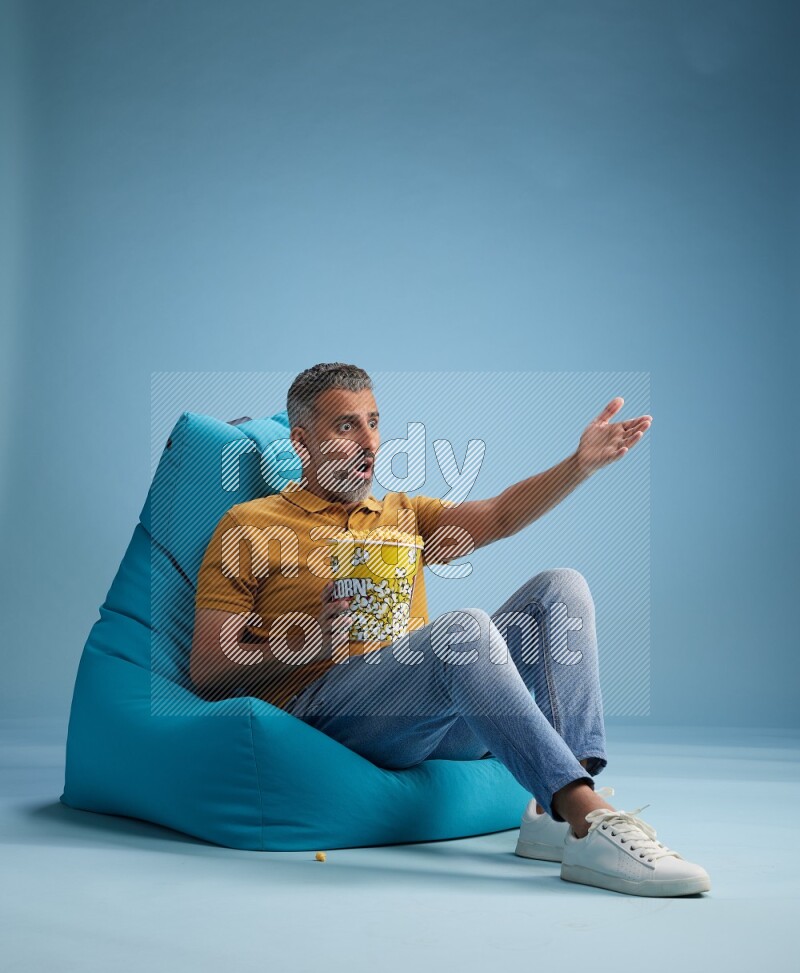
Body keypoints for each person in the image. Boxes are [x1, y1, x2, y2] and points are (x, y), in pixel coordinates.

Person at [190, 362, 710, 897]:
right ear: (302, 442)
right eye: (347, 426)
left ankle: (562, 817)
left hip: (424, 715)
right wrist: (308, 639)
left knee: (561, 588)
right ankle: (590, 818)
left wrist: (578, 465)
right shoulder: (250, 525)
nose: (369, 441)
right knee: (462, 628)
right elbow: (207, 669)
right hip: (329, 717)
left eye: (374, 422)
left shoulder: (402, 515)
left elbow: (502, 515)